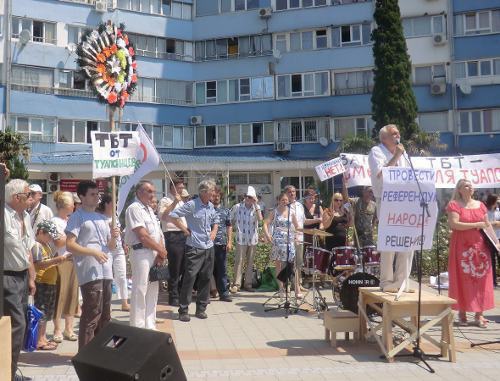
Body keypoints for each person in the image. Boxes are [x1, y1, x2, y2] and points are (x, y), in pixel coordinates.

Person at [65, 180, 119, 348]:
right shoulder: (77, 216)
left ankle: (103, 350)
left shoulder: (102, 218)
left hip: (106, 269)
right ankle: (86, 352)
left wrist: (114, 237)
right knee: (92, 313)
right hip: (89, 270)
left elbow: (109, 247)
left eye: (98, 194)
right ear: (82, 196)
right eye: (92, 194)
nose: (97, 198)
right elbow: (70, 244)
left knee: (105, 314)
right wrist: (93, 252)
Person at [447, 179, 499, 327]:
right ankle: (462, 314)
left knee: (482, 280)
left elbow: (487, 226)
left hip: (481, 246)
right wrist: (476, 224)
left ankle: (479, 315)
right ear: (459, 190)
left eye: (470, 185)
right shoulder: (454, 205)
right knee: (462, 279)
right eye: (465, 185)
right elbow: (454, 224)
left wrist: (496, 242)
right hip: (461, 248)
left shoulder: (481, 205)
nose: (469, 187)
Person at [368, 124, 413, 293]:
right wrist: (397, 155)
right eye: (394, 133)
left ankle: (402, 281)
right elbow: (381, 175)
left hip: (406, 201)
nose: (398, 135)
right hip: (386, 200)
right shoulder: (376, 151)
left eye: (398, 132)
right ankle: (387, 281)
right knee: (390, 242)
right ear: (384, 138)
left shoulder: (405, 155)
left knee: (407, 242)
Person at [169, 180, 219, 322]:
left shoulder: (210, 205)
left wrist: (214, 230)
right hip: (194, 247)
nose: (213, 193)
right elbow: (173, 215)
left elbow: (216, 219)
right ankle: (183, 310)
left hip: (208, 247)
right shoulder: (192, 204)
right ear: (204, 192)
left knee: (206, 277)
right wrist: (184, 229)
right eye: (211, 191)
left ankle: (201, 308)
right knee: (189, 278)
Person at [3, 179, 36, 380]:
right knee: (16, 324)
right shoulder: (4, 215)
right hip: (7, 276)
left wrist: (32, 277)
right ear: (17, 198)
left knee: (19, 325)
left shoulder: (24, 216)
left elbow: (28, 249)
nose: (31, 199)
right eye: (28, 195)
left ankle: (11, 371)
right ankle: (8, 373)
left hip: (22, 276)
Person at [125, 181, 167, 329]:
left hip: (154, 253)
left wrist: (161, 252)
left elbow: (158, 233)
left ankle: (150, 325)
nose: (152, 195)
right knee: (140, 290)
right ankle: (137, 326)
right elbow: (143, 236)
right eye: (149, 191)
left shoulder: (149, 209)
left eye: (154, 192)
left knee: (153, 291)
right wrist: (161, 250)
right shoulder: (134, 208)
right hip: (141, 252)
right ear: (139, 192)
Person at [32, 219, 69, 350]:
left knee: (47, 311)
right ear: (41, 232)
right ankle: (39, 340)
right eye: (49, 236)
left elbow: (47, 261)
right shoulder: (36, 245)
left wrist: (58, 260)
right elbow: (38, 264)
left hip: (50, 282)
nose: (50, 239)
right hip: (42, 282)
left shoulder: (46, 245)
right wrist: (55, 260)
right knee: (41, 311)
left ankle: (43, 337)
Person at [51, 191, 79, 343]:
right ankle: (57, 329)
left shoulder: (72, 220)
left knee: (72, 295)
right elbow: (58, 242)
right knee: (60, 295)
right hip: (61, 261)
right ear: (66, 205)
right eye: (72, 204)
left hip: (74, 259)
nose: (74, 206)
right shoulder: (55, 221)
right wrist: (72, 237)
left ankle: (69, 328)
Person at [263, 191, 300, 297]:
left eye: (286, 200)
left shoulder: (291, 212)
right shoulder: (274, 212)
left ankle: (294, 288)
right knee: (278, 265)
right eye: (283, 200)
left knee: (291, 265)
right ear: (278, 201)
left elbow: (297, 227)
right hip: (278, 241)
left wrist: (296, 236)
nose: (285, 202)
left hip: (288, 241)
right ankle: (281, 288)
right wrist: (267, 235)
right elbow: (265, 223)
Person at [158, 177, 188, 307]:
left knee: (183, 266)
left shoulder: (182, 201)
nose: (182, 189)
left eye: (182, 187)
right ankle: (173, 295)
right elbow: (163, 216)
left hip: (184, 235)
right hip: (172, 235)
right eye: (179, 187)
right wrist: (175, 202)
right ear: (172, 187)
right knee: (174, 267)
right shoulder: (165, 200)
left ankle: (180, 292)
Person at [98, 194, 130, 311]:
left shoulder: (115, 216)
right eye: (114, 202)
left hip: (118, 249)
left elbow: (120, 232)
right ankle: (106, 303)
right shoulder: (99, 217)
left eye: (116, 202)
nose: (116, 205)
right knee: (107, 276)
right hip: (106, 249)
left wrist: (124, 243)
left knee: (121, 275)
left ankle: (124, 302)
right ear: (106, 204)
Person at [230, 185, 263, 293]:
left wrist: (256, 204)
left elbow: (261, 220)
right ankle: (236, 284)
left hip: (252, 239)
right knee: (239, 261)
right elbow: (230, 220)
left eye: (251, 197)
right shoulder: (237, 207)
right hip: (241, 238)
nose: (248, 199)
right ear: (244, 197)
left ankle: (248, 284)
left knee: (250, 262)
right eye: (247, 197)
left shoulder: (256, 208)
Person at [211, 186, 233, 302]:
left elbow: (229, 226)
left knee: (222, 270)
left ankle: (224, 293)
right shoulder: (207, 210)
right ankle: (208, 292)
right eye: (214, 196)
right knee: (208, 270)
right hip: (208, 245)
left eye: (218, 196)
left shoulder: (226, 210)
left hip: (222, 244)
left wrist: (229, 241)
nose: (216, 198)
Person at [341, 178, 377, 247]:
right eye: (369, 191)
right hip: (354, 235)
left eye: (372, 192)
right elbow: (345, 200)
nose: (371, 194)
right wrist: (344, 185)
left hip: (369, 237)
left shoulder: (374, 205)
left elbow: (375, 221)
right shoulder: (356, 201)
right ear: (364, 191)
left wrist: (375, 237)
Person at [284, 186, 305, 290]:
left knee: (299, 262)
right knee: (288, 262)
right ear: (286, 193)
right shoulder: (284, 206)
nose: (292, 193)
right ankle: (287, 284)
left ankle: (298, 284)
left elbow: (303, 221)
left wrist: (318, 220)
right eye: (289, 192)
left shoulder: (300, 205)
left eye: (293, 191)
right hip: (288, 238)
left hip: (300, 238)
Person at [485, 194, 500, 287]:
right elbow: (486, 224)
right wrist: (494, 223)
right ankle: (493, 280)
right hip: (490, 238)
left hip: (499, 237)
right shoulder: (486, 212)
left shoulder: (498, 211)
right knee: (492, 260)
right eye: (497, 199)